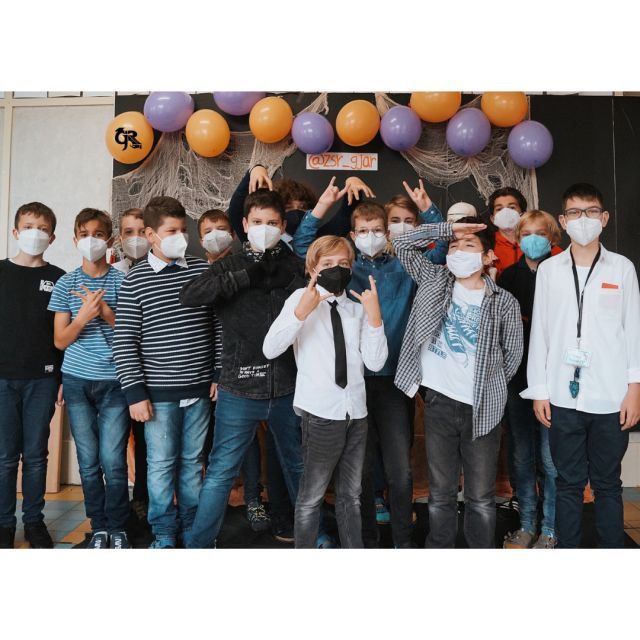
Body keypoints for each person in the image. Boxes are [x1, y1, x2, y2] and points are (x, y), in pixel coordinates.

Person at [293, 177, 435, 548]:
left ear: (387, 232)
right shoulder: (346, 269)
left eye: (377, 230)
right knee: (361, 472)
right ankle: (368, 543)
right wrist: (321, 209)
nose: (370, 236)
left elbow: (440, 254)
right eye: (363, 231)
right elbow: (304, 247)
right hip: (354, 382)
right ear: (353, 234)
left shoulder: (405, 265)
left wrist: (428, 210)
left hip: (394, 379)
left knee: (400, 470)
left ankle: (403, 542)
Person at [179, 188, 308, 549]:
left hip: (288, 386)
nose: (265, 228)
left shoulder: (295, 265)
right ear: (245, 225)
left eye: (272, 222)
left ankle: (313, 537)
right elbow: (190, 295)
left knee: (299, 468)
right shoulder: (228, 264)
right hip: (239, 387)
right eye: (258, 222)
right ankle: (198, 546)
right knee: (221, 471)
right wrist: (244, 276)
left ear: (282, 226)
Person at [522, 183, 640, 548]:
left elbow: (633, 330)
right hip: (561, 395)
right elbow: (540, 333)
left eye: (590, 212)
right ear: (563, 220)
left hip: (611, 396)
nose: (583, 219)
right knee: (568, 483)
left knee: (608, 484)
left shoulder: (622, 268)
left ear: (604, 218)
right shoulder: (549, 270)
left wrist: (634, 389)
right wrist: (539, 390)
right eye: (575, 212)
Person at [393, 218, 523, 548]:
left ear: (487, 256)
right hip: (439, 402)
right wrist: (447, 230)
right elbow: (403, 244)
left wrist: (491, 385)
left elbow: (512, 354)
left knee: (480, 495)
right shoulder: (434, 279)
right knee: (441, 492)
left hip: (483, 407)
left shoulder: (504, 301)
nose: (460, 251)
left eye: (469, 245)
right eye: (454, 246)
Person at [263, 235, 388, 548]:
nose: (337, 268)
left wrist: (375, 318)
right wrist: (300, 313)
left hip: (355, 412)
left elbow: (375, 362)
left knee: (352, 495)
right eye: (328, 263)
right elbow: (270, 349)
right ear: (312, 269)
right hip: (320, 412)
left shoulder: (356, 309)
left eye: (343, 263)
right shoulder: (299, 299)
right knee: (311, 495)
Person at [113, 196, 216, 549]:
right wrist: (134, 393)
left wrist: (217, 373)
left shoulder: (201, 271)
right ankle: (164, 533)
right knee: (159, 465)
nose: (180, 237)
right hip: (157, 395)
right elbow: (125, 340)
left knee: (193, 463)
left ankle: (192, 529)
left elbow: (217, 325)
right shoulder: (135, 280)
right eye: (171, 231)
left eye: (183, 230)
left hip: (199, 390)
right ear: (151, 235)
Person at [48, 208, 129, 549]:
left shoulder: (122, 282)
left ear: (109, 240)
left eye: (98, 234)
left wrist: (106, 312)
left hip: (115, 382)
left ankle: (119, 527)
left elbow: (131, 335)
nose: (91, 240)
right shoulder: (66, 284)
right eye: (84, 234)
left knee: (113, 460)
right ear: (74, 239)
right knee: (88, 459)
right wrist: (82, 317)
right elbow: (60, 340)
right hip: (77, 381)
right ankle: (98, 526)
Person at [196, 208, 271, 533]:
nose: (216, 235)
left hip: (236, 371)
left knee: (246, 441)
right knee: (206, 444)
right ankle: (207, 509)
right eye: (208, 230)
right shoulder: (199, 272)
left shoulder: (245, 267)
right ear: (200, 239)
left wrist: (219, 372)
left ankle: (253, 499)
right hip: (197, 373)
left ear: (234, 232)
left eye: (221, 228)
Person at [0, 202, 65, 549]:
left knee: (37, 455)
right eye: (28, 227)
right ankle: (4, 524)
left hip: (43, 380)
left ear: (52, 237)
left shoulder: (59, 278)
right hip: (3, 380)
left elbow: (65, 334)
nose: (34, 234)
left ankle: (34, 522)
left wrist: (62, 378)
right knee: (5, 457)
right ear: (15, 232)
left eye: (42, 229)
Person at [498, 210, 563, 548]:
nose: (533, 239)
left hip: (555, 381)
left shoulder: (563, 273)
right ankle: (526, 524)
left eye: (541, 233)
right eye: (526, 234)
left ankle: (550, 529)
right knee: (522, 455)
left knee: (551, 459)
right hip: (517, 378)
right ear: (517, 238)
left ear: (553, 238)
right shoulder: (508, 277)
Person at [111, 207, 150, 527]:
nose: (135, 239)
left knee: (147, 440)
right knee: (114, 445)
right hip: (113, 374)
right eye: (128, 232)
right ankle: (116, 510)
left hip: (149, 373)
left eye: (141, 231)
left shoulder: (163, 269)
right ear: (119, 237)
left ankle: (143, 498)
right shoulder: (113, 273)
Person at [487, 186, 528, 276]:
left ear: (523, 215)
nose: (505, 212)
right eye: (499, 209)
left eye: (512, 207)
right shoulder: (485, 245)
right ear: (493, 218)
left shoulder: (539, 242)